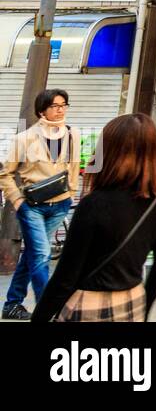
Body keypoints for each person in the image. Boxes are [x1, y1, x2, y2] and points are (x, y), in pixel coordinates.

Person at [32, 114, 156, 322]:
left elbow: (65, 277)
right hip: (133, 302)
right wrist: (143, 312)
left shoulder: (94, 204)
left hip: (89, 306)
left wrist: (39, 319)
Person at [1, 89, 80, 321]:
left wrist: (72, 192)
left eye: (64, 105)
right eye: (55, 106)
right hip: (32, 207)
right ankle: (49, 309)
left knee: (35, 254)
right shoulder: (24, 138)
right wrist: (17, 201)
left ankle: (12, 304)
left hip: (60, 205)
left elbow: (74, 165)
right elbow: (5, 174)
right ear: (41, 110)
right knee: (42, 253)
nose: (60, 109)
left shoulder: (72, 134)